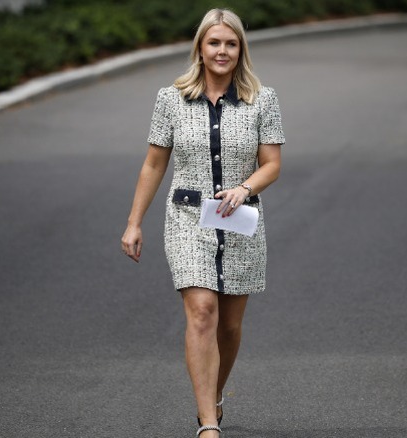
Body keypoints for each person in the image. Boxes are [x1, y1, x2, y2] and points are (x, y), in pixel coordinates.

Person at [120, 8, 284, 437]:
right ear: (200, 47)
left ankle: (215, 393)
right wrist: (134, 222)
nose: (222, 51)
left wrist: (245, 188)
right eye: (214, 43)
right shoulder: (170, 99)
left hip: (240, 220)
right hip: (187, 218)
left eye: (231, 43)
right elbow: (154, 164)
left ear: (241, 49)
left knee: (229, 326)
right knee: (202, 311)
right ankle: (208, 422)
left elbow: (272, 164)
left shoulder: (262, 99)